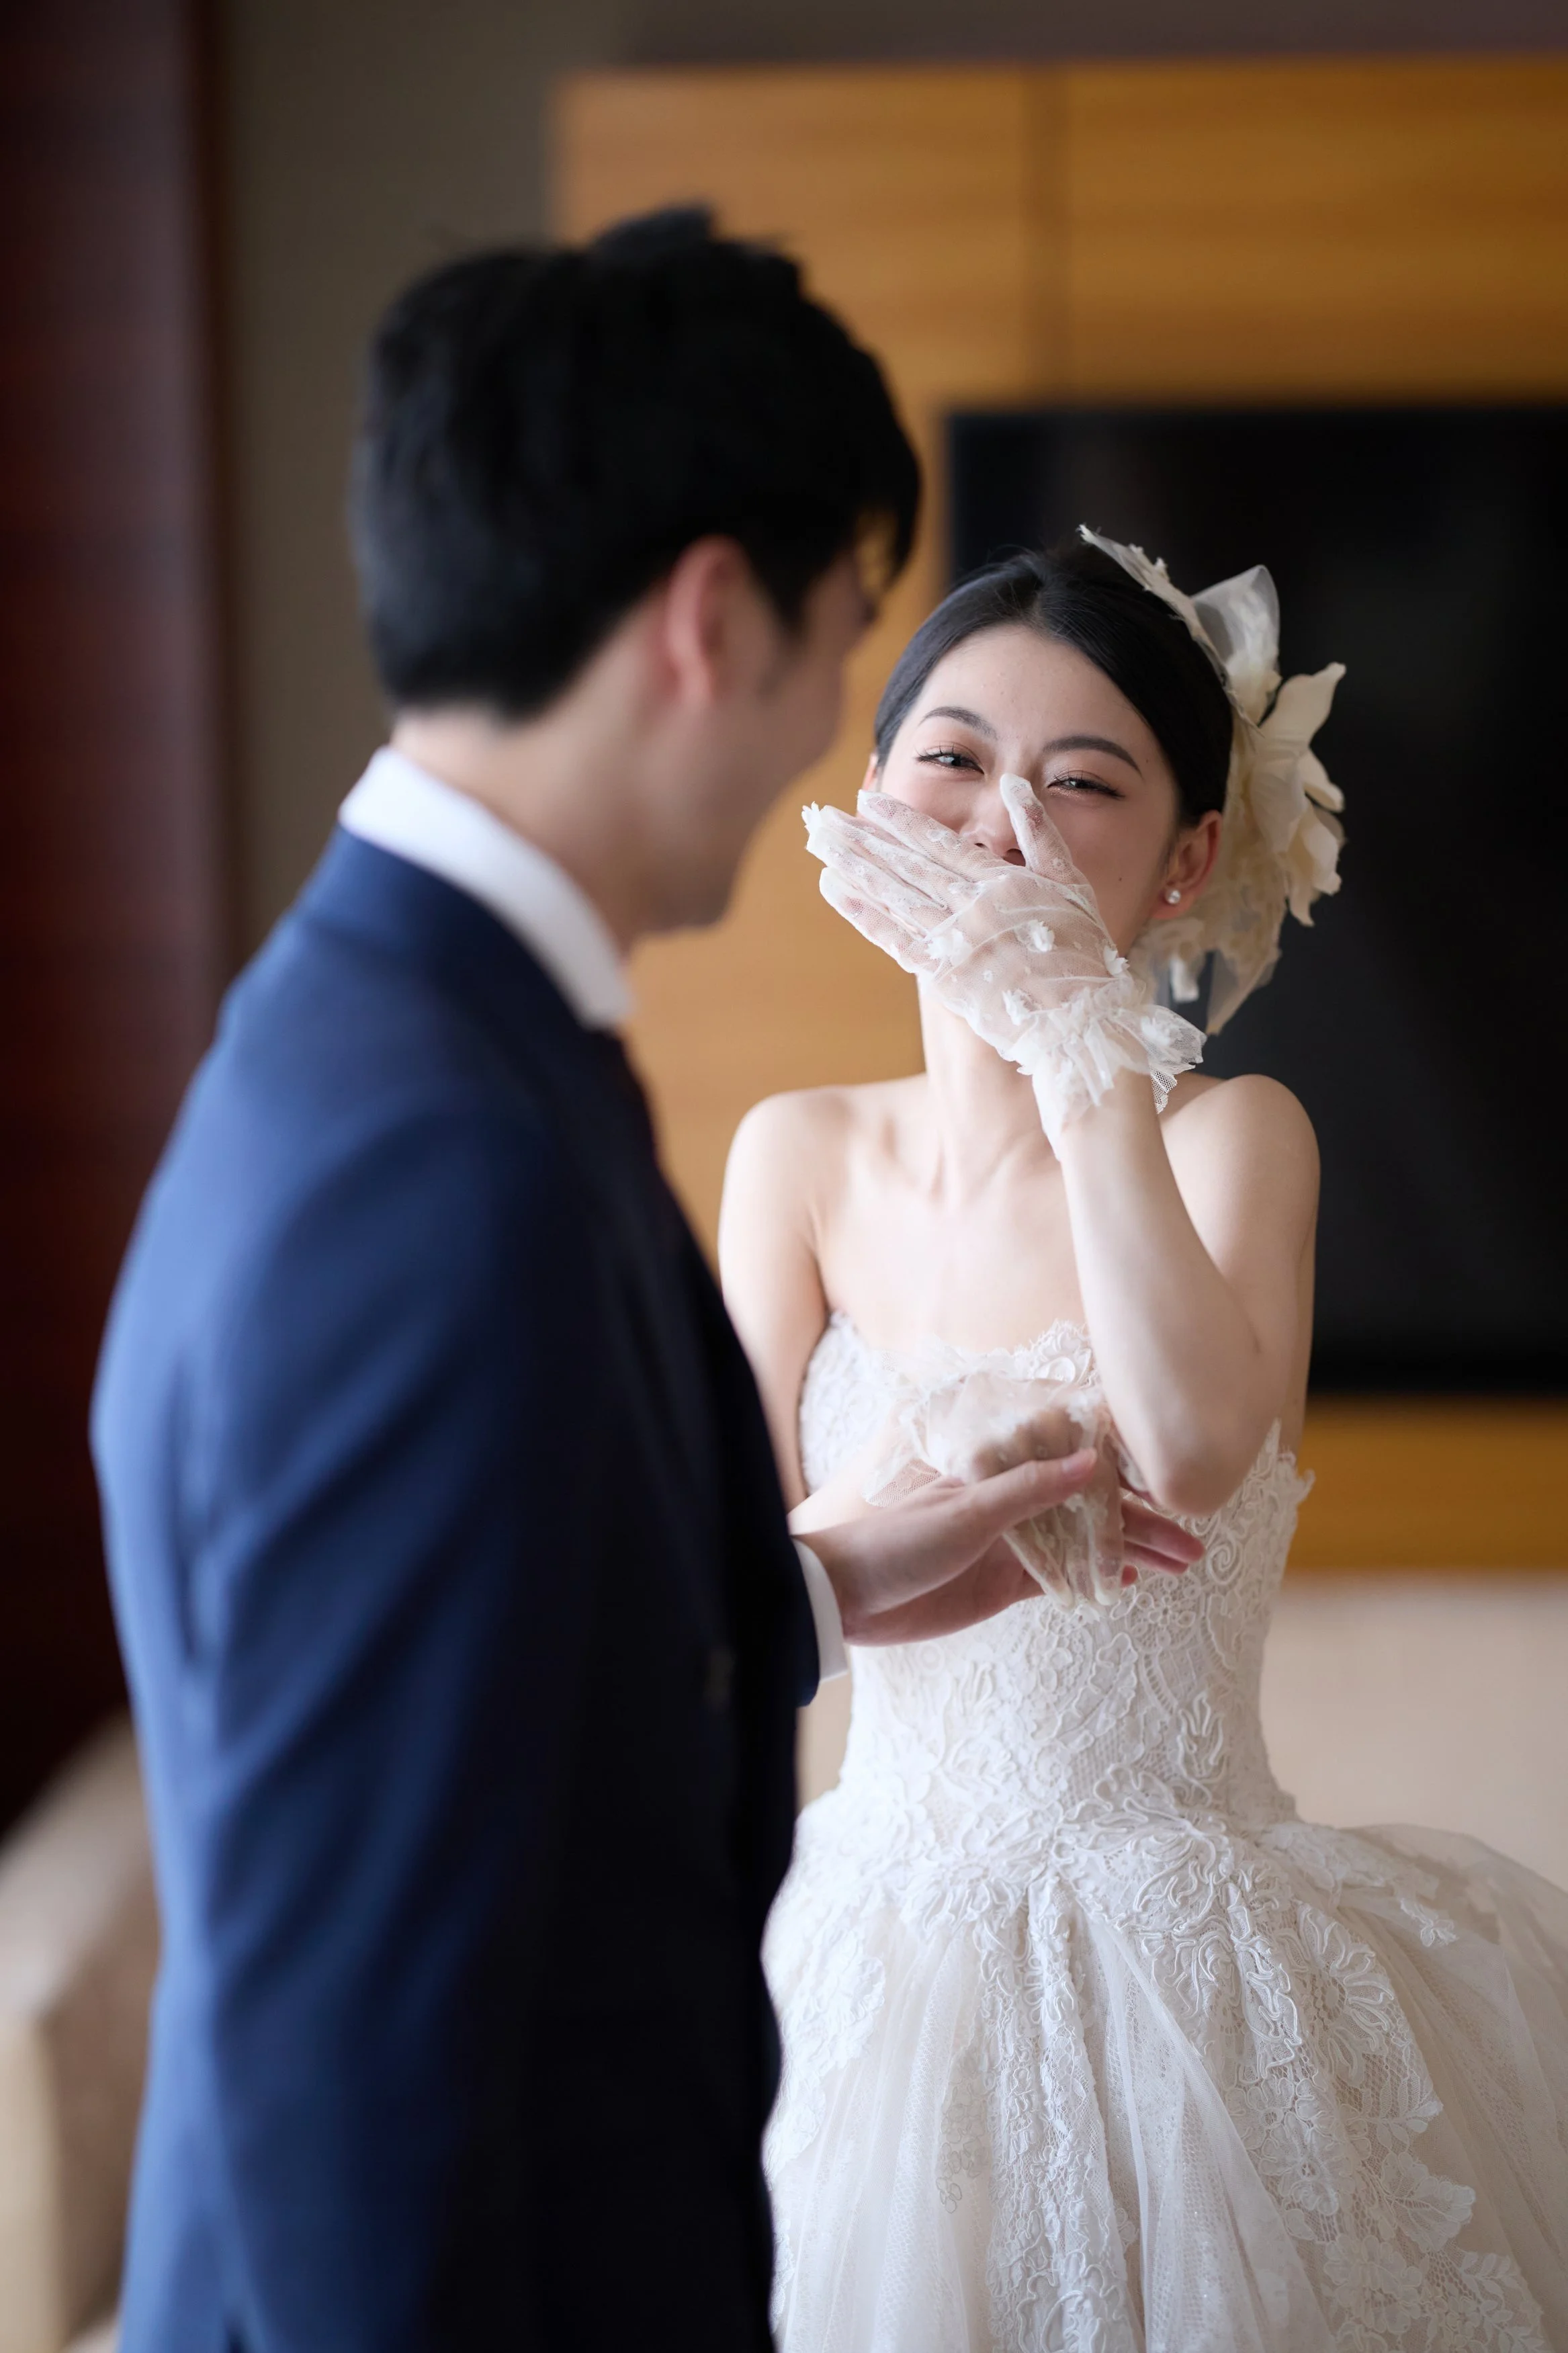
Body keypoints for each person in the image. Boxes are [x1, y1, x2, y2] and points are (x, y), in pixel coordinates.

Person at [91, 213, 1204, 2352]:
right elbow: (357, 2038)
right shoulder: (427, 1166)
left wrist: (820, 1581)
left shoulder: (419, 1037)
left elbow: (500, 1681)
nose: (844, 750)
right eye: (843, 649)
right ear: (713, 622)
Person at [723, 533, 1568, 2350]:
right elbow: (733, 1573)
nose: (1000, 820)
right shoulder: (791, 1156)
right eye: (947, 756)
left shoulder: (1233, 1139)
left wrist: (1075, 1044)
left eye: (1079, 779)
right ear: (871, 794)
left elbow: (1190, 1446)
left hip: (1183, 1972)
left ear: (1188, 857)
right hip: (866, 1950)